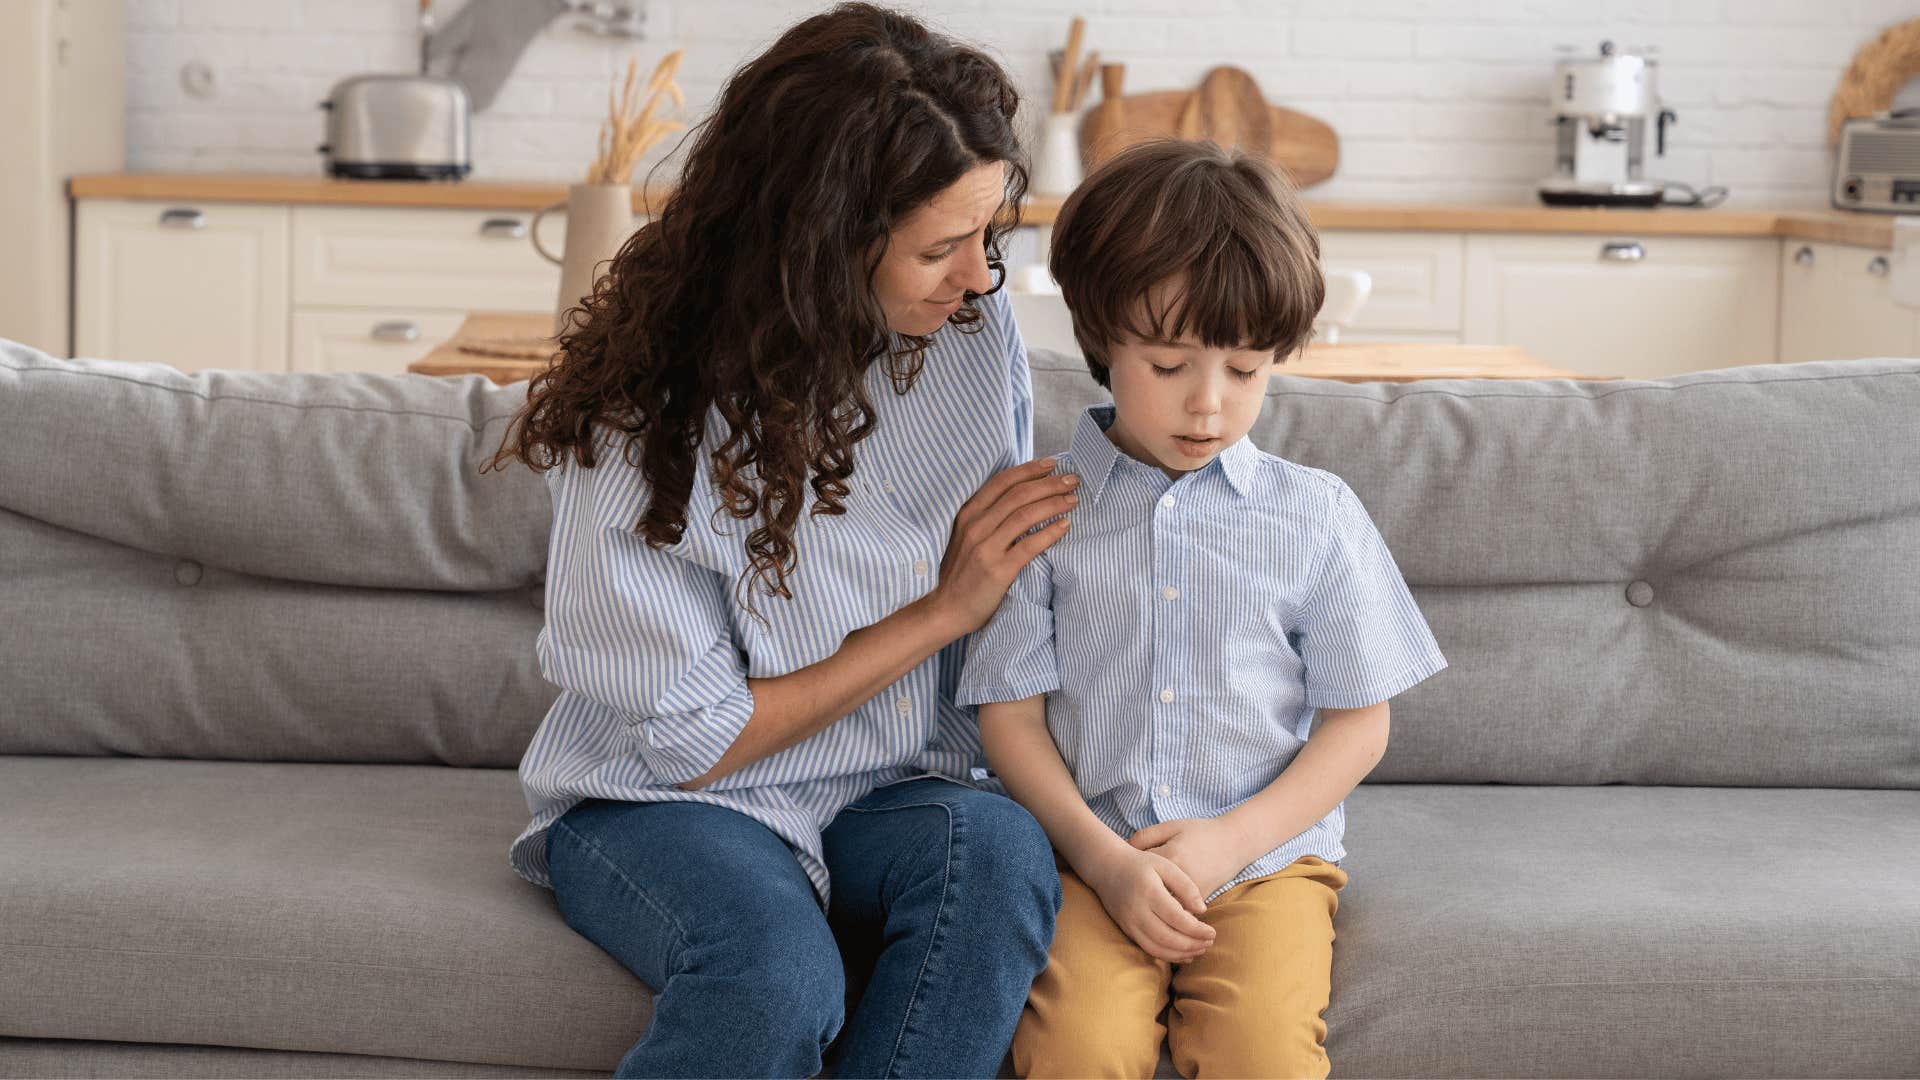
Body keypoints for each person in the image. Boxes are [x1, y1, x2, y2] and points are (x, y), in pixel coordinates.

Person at [490, 6, 1073, 1076]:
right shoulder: (646, 415)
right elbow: (693, 741)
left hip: (897, 788)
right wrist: (941, 611)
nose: (981, 279)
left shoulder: (970, 337)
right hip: (667, 802)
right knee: (774, 977)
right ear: (818, 238)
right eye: (941, 248)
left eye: (989, 237)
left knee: (998, 860)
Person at [955, 140, 1449, 1079]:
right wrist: (1104, 863)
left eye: (1246, 369)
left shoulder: (1314, 513)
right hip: (1091, 861)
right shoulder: (1042, 510)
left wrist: (1232, 839)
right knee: (1075, 1051)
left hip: (1264, 864)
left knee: (1260, 1056)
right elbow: (1009, 720)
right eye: (1171, 364)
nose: (1210, 405)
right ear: (1102, 340)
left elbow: (1360, 723)